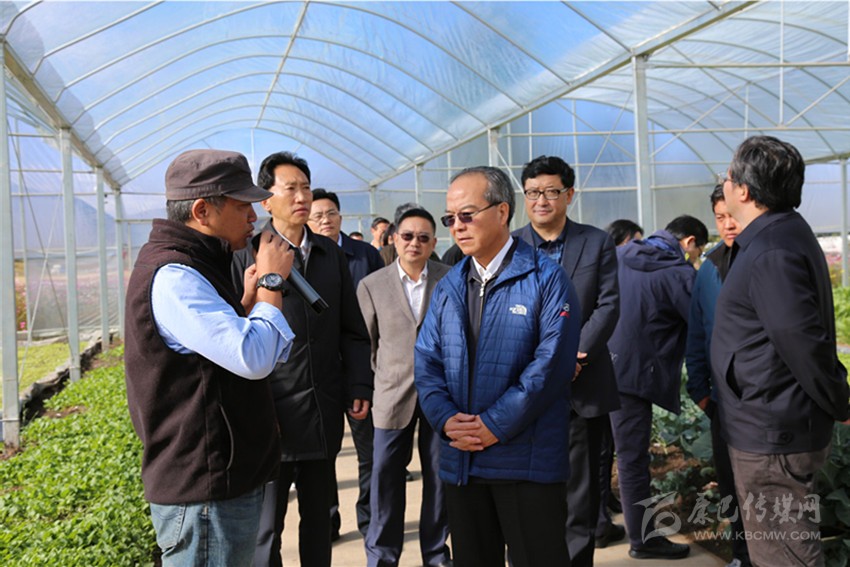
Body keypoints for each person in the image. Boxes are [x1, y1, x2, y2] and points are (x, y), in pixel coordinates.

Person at [124, 149, 296, 566]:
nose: (254, 217)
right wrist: (272, 282)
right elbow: (252, 357)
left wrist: (245, 304)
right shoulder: (175, 275)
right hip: (206, 491)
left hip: (220, 482)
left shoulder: (196, 263)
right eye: (242, 207)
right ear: (202, 211)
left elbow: (205, 356)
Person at [415, 166, 581, 567]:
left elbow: (551, 365)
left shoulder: (546, 278)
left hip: (525, 461)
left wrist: (494, 424)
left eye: (467, 215)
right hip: (463, 460)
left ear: (502, 211)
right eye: (450, 218)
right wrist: (445, 419)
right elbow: (427, 361)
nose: (457, 226)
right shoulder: (449, 285)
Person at [712, 136, 850, 566]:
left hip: (773, 434)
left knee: (783, 553)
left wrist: (839, 399)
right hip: (769, 424)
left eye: (728, 177)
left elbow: (802, 342)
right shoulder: (776, 236)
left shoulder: (771, 250)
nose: (725, 184)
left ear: (744, 191)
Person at [231, 151, 373, 567]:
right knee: (265, 529)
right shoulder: (244, 255)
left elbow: (352, 329)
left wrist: (358, 384)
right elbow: (232, 338)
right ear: (265, 200)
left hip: (321, 408)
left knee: (318, 521)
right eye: (290, 188)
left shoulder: (329, 254)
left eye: (306, 187)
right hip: (269, 415)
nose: (302, 197)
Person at [512, 155, 620, 566]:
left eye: (551, 191)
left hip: (581, 384)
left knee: (580, 492)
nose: (541, 200)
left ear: (569, 194)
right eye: (533, 192)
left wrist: (574, 355)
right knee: (525, 489)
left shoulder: (596, 242)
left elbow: (608, 305)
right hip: (523, 389)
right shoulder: (509, 245)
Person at [607, 214, 708, 560]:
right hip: (635, 375)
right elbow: (700, 324)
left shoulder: (620, 255)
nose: (695, 259)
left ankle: (595, 526)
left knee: (597, 453)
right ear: (689, 242)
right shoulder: (678, 273)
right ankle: (643, 540)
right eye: (698, 252)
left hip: (598, 364)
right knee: (632, 458)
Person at [357, 207, 452, 567]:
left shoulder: (450, 279)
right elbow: (366, 343)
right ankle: (382, 556)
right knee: (384, 479)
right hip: (391, 395)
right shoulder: (372, 285)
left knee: (439, 478)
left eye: (423, 237)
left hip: (441, 396)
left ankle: (436, 554)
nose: (415, 243)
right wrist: (374, 384)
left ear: (433, 242)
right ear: (394, 238)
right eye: (408, 236)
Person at [308, 188, 383, 541]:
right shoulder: (303, 256)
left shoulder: (366, 255)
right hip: (321, 372)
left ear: (340, 216)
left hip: (360, 369)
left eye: (331, 213)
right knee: (323, 454)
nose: (325, 220)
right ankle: (329, 519)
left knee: (369, 451)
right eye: (317, 215)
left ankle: (369, 519)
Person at [685, 185, 749, 567]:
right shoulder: (709, 268)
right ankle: (741, 555)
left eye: (733, 216)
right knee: (730, 484)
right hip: (723, 402)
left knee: (763, 490)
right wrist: (700, 391)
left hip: (763, 402)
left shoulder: (763, 260)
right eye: (720, 218)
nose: (728, 225)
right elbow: (697, 332)